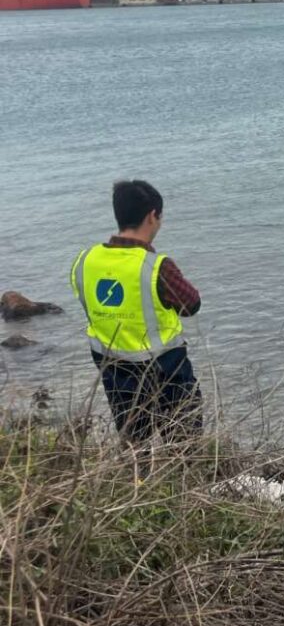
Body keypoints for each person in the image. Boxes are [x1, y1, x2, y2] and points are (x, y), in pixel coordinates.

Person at [70, 180, 202, 447]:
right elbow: (191, 304)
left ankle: (138, 483)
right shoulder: (157, 267)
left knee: (134, 444)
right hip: (165, 369)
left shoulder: (85, 261)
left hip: (114, 370)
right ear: (152, 216)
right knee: (183, 440)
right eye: (160, 217)